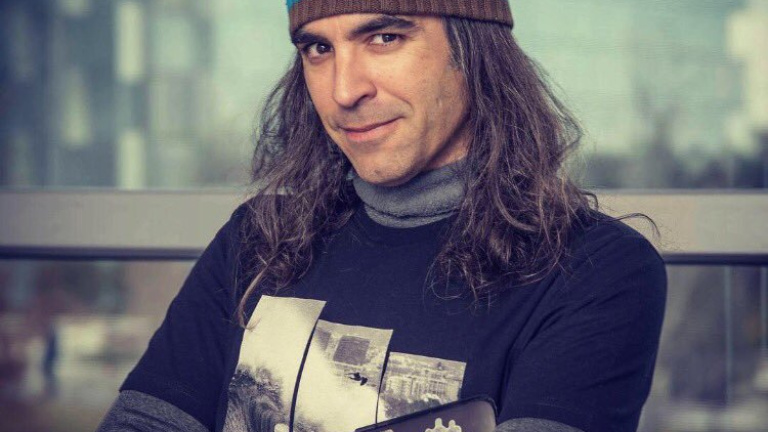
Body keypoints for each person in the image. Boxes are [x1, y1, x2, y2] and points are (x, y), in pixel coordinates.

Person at [98, 1, 666, 431]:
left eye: (385, 37)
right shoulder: (257, 240)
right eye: (318, 49)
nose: (344, 90)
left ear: (473, 52)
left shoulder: (593, 269)